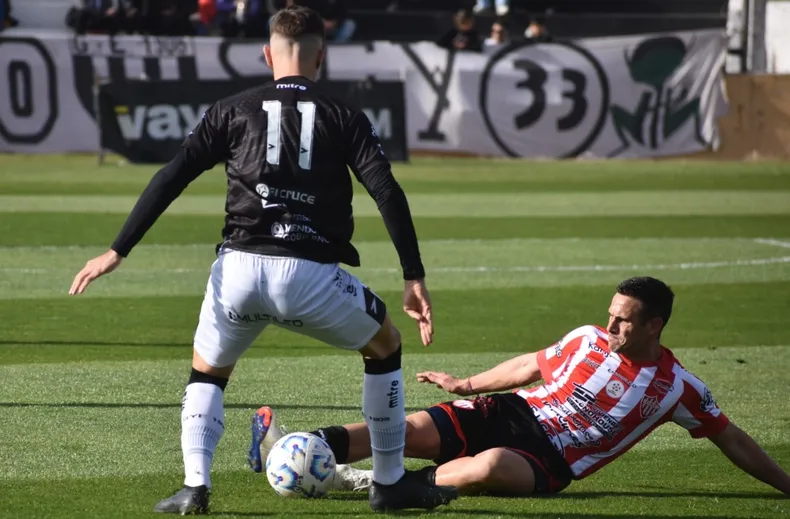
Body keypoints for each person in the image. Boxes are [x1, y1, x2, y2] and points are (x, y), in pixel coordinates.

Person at [68, 5, 458, 514]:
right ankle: (388, 483)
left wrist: (117, 250)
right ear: (321, 55)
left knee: (208, 371)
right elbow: (386, 190)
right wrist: (413, 275)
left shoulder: (232, 107)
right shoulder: (344, 114)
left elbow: (170, 176)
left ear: (266, 53)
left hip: (238, 272)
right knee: (385, 346)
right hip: (309, 276)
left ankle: (194, 488)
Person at [252, 277, 790, 497]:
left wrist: (786, 485)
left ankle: (370, 485)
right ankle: (304, 444)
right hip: (509, 411)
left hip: (551, 460)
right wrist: (466, 383)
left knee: (487, 468)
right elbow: (529, 366)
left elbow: (733, 439)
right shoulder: (586, 338)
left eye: (624, 322)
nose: (610, 327)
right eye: (610, 315)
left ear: (655, 325)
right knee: (409, 428)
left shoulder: (678, 389)